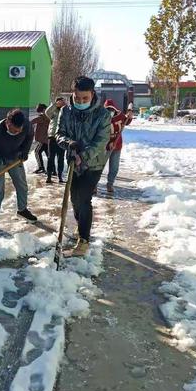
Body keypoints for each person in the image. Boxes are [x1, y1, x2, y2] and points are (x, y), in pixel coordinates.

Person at [56, 76, 111, 256]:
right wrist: (69, 143)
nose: (80, 101)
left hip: (93, 163)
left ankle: (84, 240)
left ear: (92, 95)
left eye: (85, 99)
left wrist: (84, 156)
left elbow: (101, 141)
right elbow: (59, 134)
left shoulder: (102, 114)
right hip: (73, 161)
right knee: (75, 199)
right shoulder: (66, 111)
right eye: (77, 98)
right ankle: (82, 226)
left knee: (84, 198)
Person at [0, 109, 37, 236]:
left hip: (15, 156)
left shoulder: (26, 125)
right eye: (14, 130)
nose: (16, 132)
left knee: (22, 184)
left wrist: (24, 151)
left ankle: (22, 209)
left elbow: (30, 136)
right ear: (7, 122)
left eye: (18, 131)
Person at [104, 99, 133, 193]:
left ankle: (110, 184)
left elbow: (126, 121)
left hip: (117, 145)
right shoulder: (102, 118)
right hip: (104, 146)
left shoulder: (120, 116)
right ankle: (94, 185)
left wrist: (129, 116)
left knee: (114, 167)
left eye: (111, 109)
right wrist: (108, 142)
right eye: (107, 109)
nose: (110, 112)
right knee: (99, 166)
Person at [45, 97, 67, 183]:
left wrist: (65, 106)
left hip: (62, 138)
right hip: (52, 137)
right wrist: (55, 104)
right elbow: (47, 112)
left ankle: (60, 176)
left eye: (62, 102)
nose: (61, 103)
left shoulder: (65, 111)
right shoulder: (53, 111)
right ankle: (49, 176)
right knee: (51, 157)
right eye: (60, 102)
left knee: (60, 158)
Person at [30, 103, 50, 174]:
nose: (39, 113)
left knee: (37, 152)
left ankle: (41, 168)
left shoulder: (43, 117)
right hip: (46, 140)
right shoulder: (47, 116)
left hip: (43, 140)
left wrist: (27, 123)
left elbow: (33, 121)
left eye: (40, 111)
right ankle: (52, 169)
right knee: (48, 155)